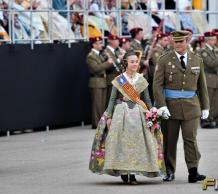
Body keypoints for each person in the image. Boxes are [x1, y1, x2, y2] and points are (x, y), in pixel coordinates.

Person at [89, 50, 166, 185]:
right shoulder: (120, 80)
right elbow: (112, 99)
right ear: (126, 63)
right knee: (122, 144)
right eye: (132, 62)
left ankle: (133, 175)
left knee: (138, 145)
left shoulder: (141, 79)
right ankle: (124, 171)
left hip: (138, 114)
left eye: (136, 62)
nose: (135, 64)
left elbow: (147, 99)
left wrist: (151, 114)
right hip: (121, 113)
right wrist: (109, 117)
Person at [153, 30, 210, 183]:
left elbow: (202, 85)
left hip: (192, 107)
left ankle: (193, 171)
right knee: (170, 141)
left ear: (187, 42)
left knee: (190, 139)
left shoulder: (197, 60)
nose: (178, 44)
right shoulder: (164, 60)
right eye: (175, 42)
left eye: (181, 42)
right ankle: (169, 171)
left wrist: (205, 106)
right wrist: (161, 105)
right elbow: (157, 85)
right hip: (170, 107)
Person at [86, 36, 114, 129]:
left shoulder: (99, 55)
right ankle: (96, 123)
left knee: (102, 104)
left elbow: (105, 67)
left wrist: (110, 61)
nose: (102, 45)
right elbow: (96, 68)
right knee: (97, 104)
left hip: (102, 81)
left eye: (102, 43)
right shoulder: (91, 56)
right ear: (94, 45)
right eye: (99, 43)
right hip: (96, 81)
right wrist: (108, 63)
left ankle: (101, 122)